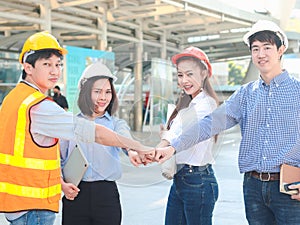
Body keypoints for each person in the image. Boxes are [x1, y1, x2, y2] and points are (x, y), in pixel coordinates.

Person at [155, 20, 300, 225]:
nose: (261, 54)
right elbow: (210, 124)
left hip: (289, 187)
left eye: (267, 47)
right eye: (255, 49)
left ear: (281, 49)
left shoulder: (297, 92)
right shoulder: (245, 94)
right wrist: (173, 146)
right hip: (253, 187)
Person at [0, 31, 153, 225]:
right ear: (28, 67)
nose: (55, 71)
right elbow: (95, 133)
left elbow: (41, 156)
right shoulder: (39, 106)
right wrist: (140, 146)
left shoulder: (13, 99)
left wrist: (132, 149)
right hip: (34, 205)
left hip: (20, 203)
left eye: (58, 65)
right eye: (47, 64)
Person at [60, 62, 141, 225]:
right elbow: (59, 159)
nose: (103, 97)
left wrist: (133, 152)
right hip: (75, 194)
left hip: (106, 196)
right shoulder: (69, 123)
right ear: (85, 92)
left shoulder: (116, 124)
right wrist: (62, 184)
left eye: (107, 92)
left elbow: (125, 140)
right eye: (97, 92)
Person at [156, 46, 219, 225]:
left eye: (189, 74)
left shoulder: (207, 104)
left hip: (198, 180)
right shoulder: (186, 104)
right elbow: (173, 133)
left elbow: (182, 133)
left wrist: (158, 148)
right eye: (180, 74)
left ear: (204, 73)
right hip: (180, 178)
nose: (184, 80)